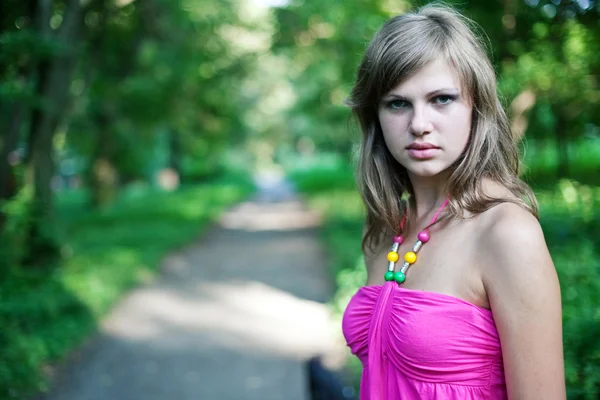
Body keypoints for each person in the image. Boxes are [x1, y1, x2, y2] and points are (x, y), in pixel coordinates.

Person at [341, 3, 565, 400]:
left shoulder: (506, 233)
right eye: (397, 103)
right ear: (375, 116)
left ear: (475, 107)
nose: (419, 124)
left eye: (441, 99)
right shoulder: (387, 227)